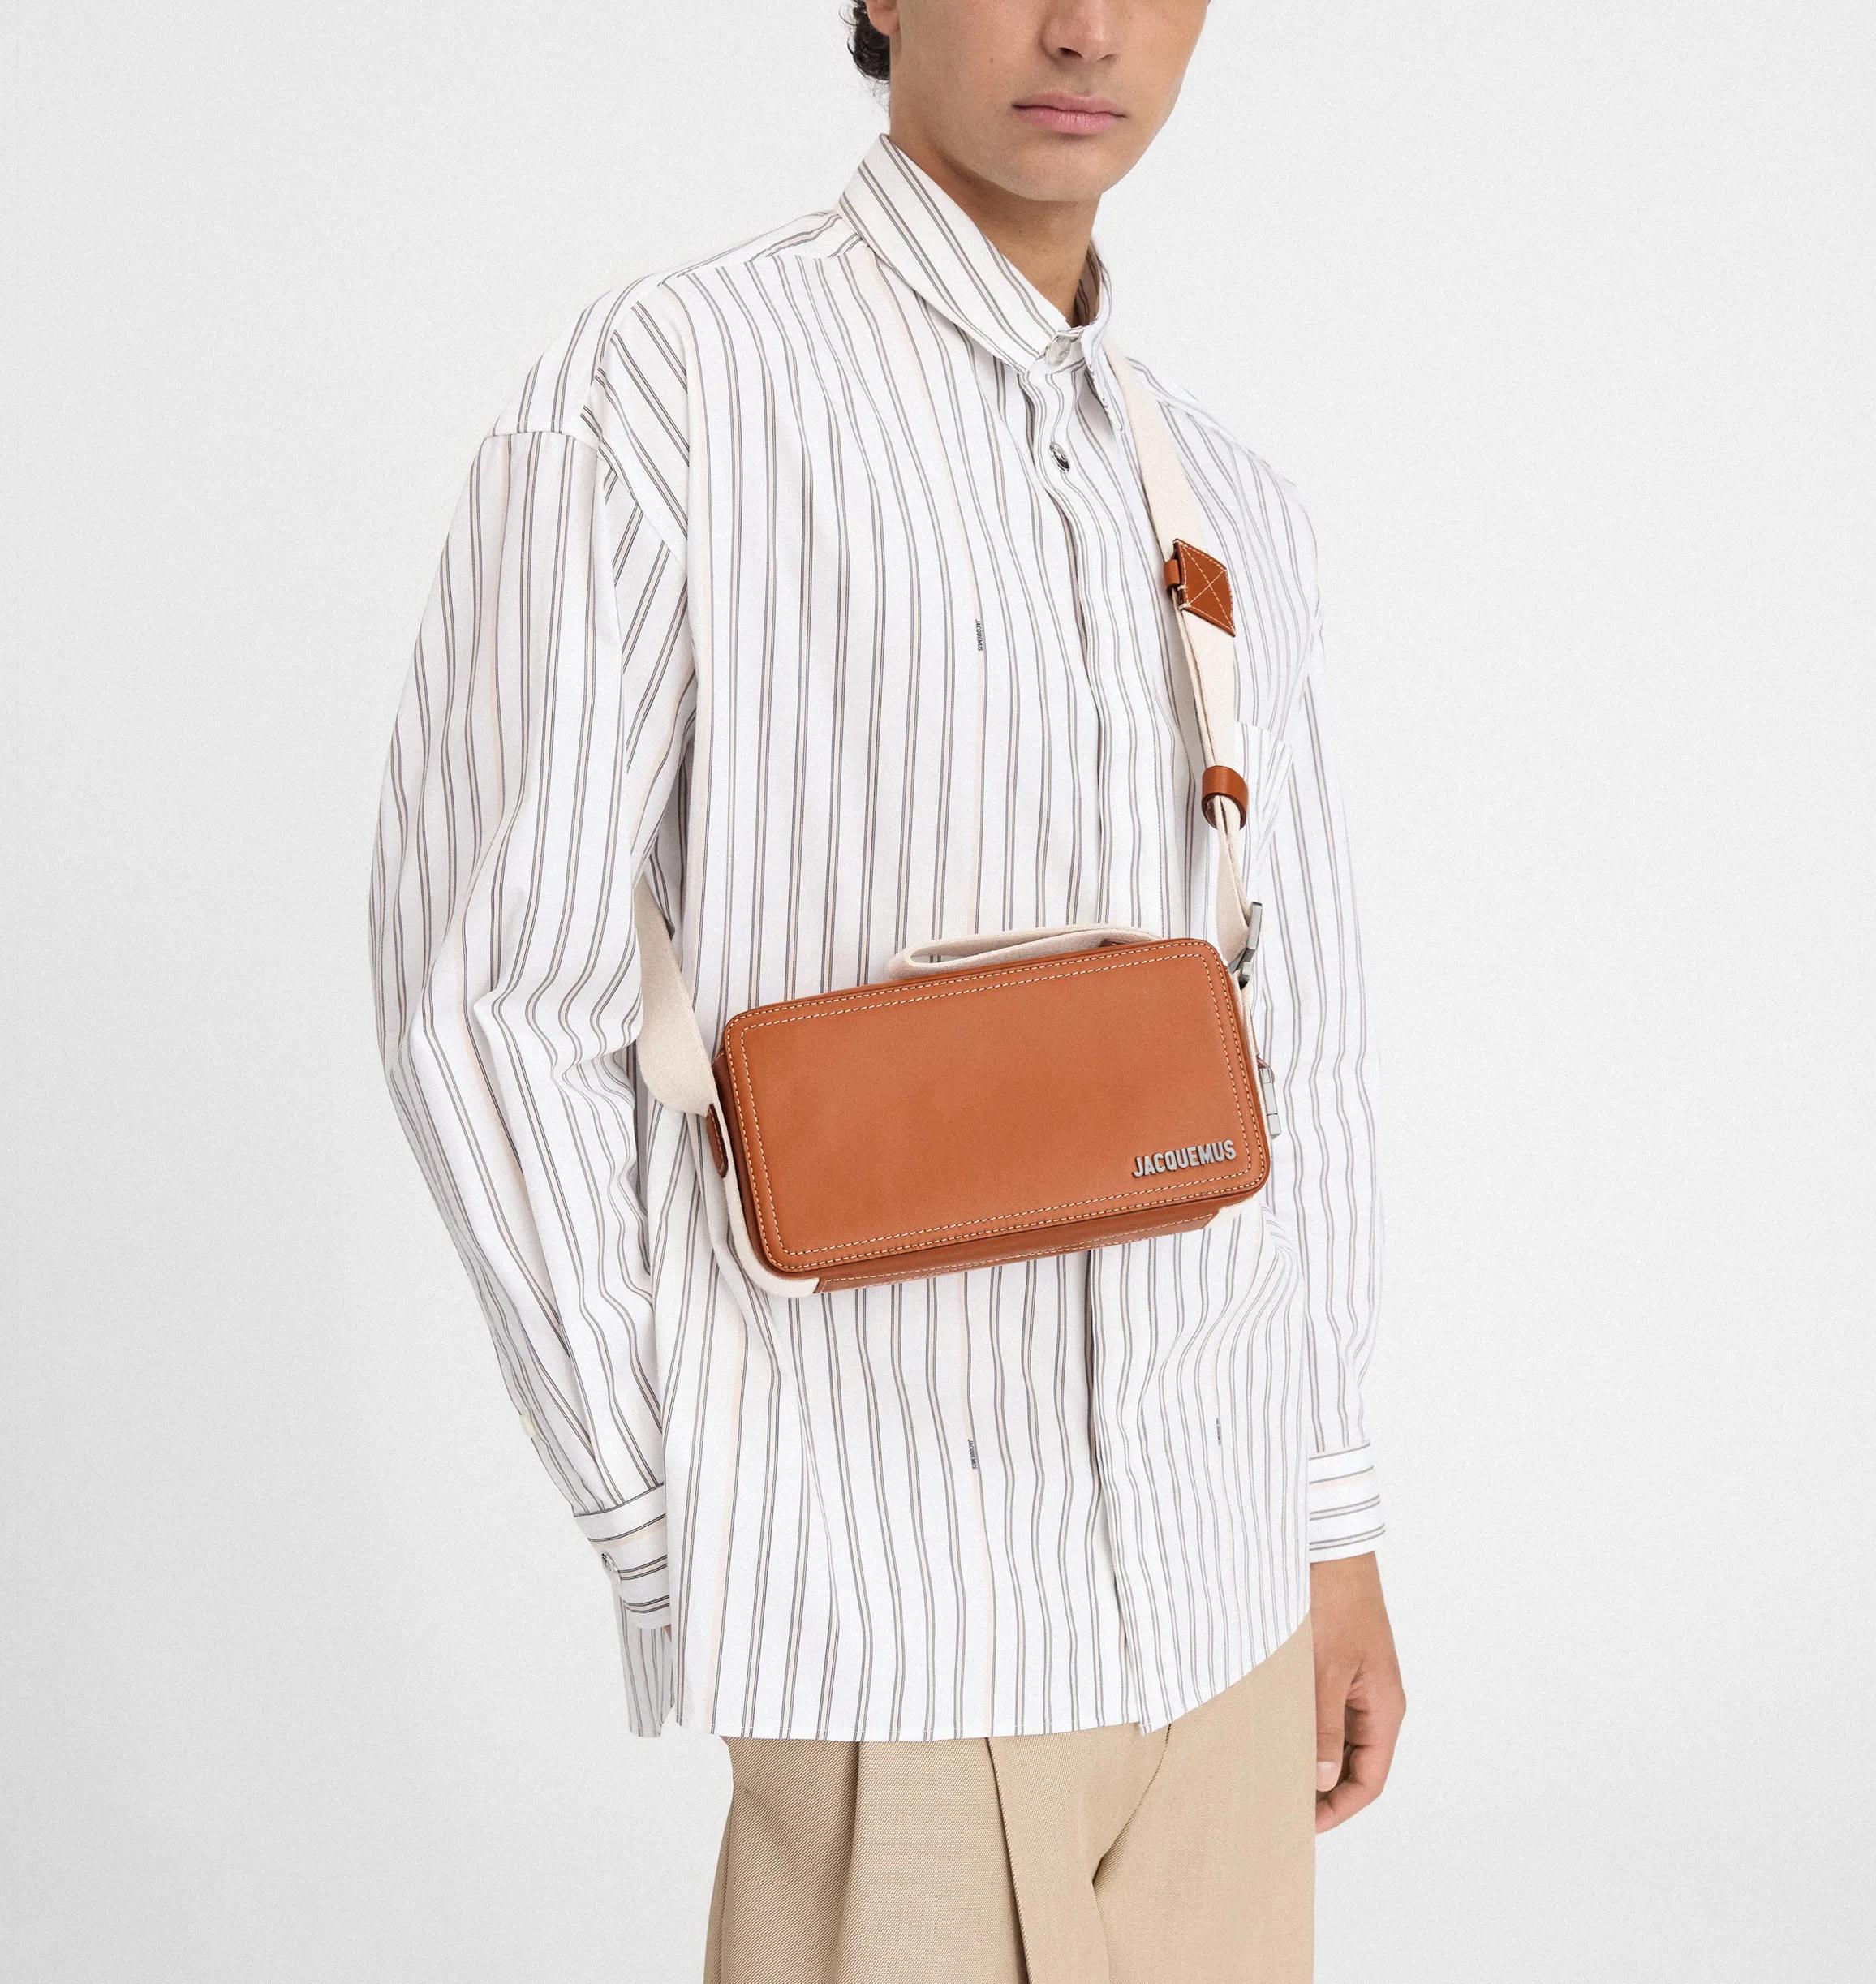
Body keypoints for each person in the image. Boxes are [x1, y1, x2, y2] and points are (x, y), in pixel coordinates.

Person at [368, 2, 1404, 1976]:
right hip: (894, 1615)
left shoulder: (1223, 494)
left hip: (1222, 1605)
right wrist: (673, 1507)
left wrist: (1324, 1519)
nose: (1083, 27)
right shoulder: (672, 385)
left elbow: (1304, 1038)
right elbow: (483, 993)